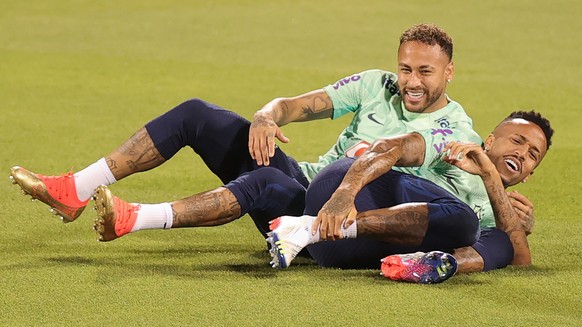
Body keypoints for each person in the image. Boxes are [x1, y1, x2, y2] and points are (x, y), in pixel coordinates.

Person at [11, 23, 491, 245]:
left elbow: (457, 192)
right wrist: (265, 118)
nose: (410, 81)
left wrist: (501, 206)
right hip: (307, 181)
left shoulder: (453, 125)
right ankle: (76, 189)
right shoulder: (374, 85)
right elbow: (293, 106)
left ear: (449, 73)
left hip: (324, 220)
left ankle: (135, 219)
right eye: (405, 68)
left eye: (425, 72)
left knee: (270, 186)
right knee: (198, 113)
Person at [268, 111, 553, 284]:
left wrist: (490, 175)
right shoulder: (458, 139)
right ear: (489, 140)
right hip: (351, 191)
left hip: (341, 251)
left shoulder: (503, 212)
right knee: (464, 220)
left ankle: (428, 265)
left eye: (532, 155)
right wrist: (344, 193)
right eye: (517, 140)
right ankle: (306, 227)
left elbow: (518, 261)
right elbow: (390, 147)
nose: (521, 153)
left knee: (496, 239)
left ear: (529, 175)